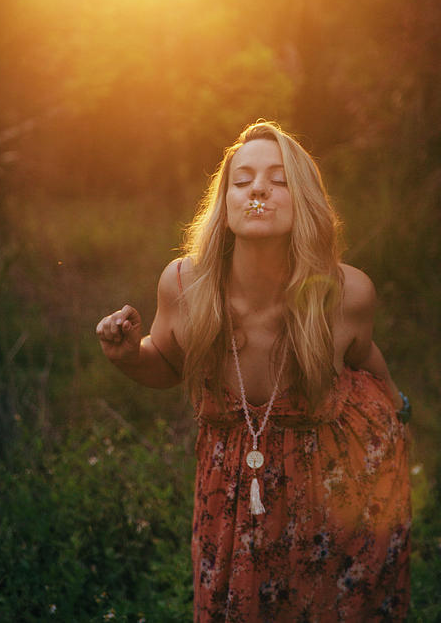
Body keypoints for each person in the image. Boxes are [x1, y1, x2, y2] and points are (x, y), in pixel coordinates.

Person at [96, 121, 411, 622]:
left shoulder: (346, 292)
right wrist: (132, 356)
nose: (258, 188)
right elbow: (169, 363)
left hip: (338, 475)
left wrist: (397, 404)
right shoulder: (184, 285)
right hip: (231, 484)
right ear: (225, 204)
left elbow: (364, 356)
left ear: (304, 200)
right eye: (242, 181)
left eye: (278, 179)